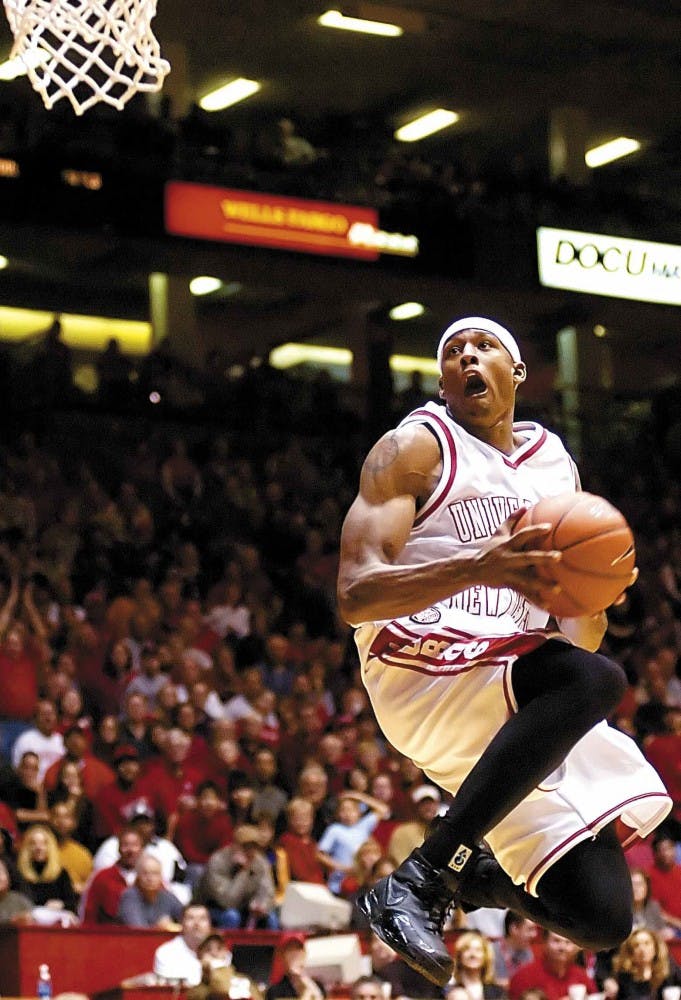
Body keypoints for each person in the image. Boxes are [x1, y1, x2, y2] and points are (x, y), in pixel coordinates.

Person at [337, 316, 672, 986]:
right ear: (442, 380)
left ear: (516, 374)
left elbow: (579, 636)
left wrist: (594, 594)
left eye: (483, 347)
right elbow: (355, 594)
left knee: (601, 916)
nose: (467, 357)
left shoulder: (552, 464)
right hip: (418, 665)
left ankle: (455, 875)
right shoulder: (415, 446)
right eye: (452, 352)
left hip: (504, 688)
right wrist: (476, 565)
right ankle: (422, 876)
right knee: (594, 682)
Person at [508, 930, 595, 1000]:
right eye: (556, 941)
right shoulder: (524, 976)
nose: (562, 947)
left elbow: (595, 995)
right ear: (544, 943)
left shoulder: (580, 975)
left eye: (568, 942)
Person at [603, 927, 681, 1000]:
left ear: (655, 947)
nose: (642, 949)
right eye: (636, 945)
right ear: (631, 952)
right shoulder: (622, 975)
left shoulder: (669, 970)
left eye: (647, 943)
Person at [117, 852, 184, 928]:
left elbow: (185, 917)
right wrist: (159, 927)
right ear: (138, 876)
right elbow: (137, 930)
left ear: (161, 877)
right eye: (145, 873)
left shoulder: (167, 896)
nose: (150, 878)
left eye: (155, 873)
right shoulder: (129, 896)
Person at [188, 933, 263, 1000]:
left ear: (225, 953)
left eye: (219, 948)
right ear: (199, 955)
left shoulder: (243, 979)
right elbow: (223, 988)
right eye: (208, 949)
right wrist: (210, 970)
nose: (214, 953)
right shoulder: (197, 990)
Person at [153, 902, 212, 986]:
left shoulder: (220, 952)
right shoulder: (166, 953)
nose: (197, 924)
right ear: (181, 923)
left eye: (202, 919)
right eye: (191, 918)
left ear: (210, 924)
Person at [266, 933, 325, 1000]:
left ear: (304, 954)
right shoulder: (274, 991)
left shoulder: (318, 985)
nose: (295, 954)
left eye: (298, 949)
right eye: (289, 949)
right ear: (282, 956)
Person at [450, 931, 506, 1000]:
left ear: (485, 956)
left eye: (478, 950)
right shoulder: (449, 987)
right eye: (467, 949)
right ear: (459, 956)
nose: (473, 954)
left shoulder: (496, 991)